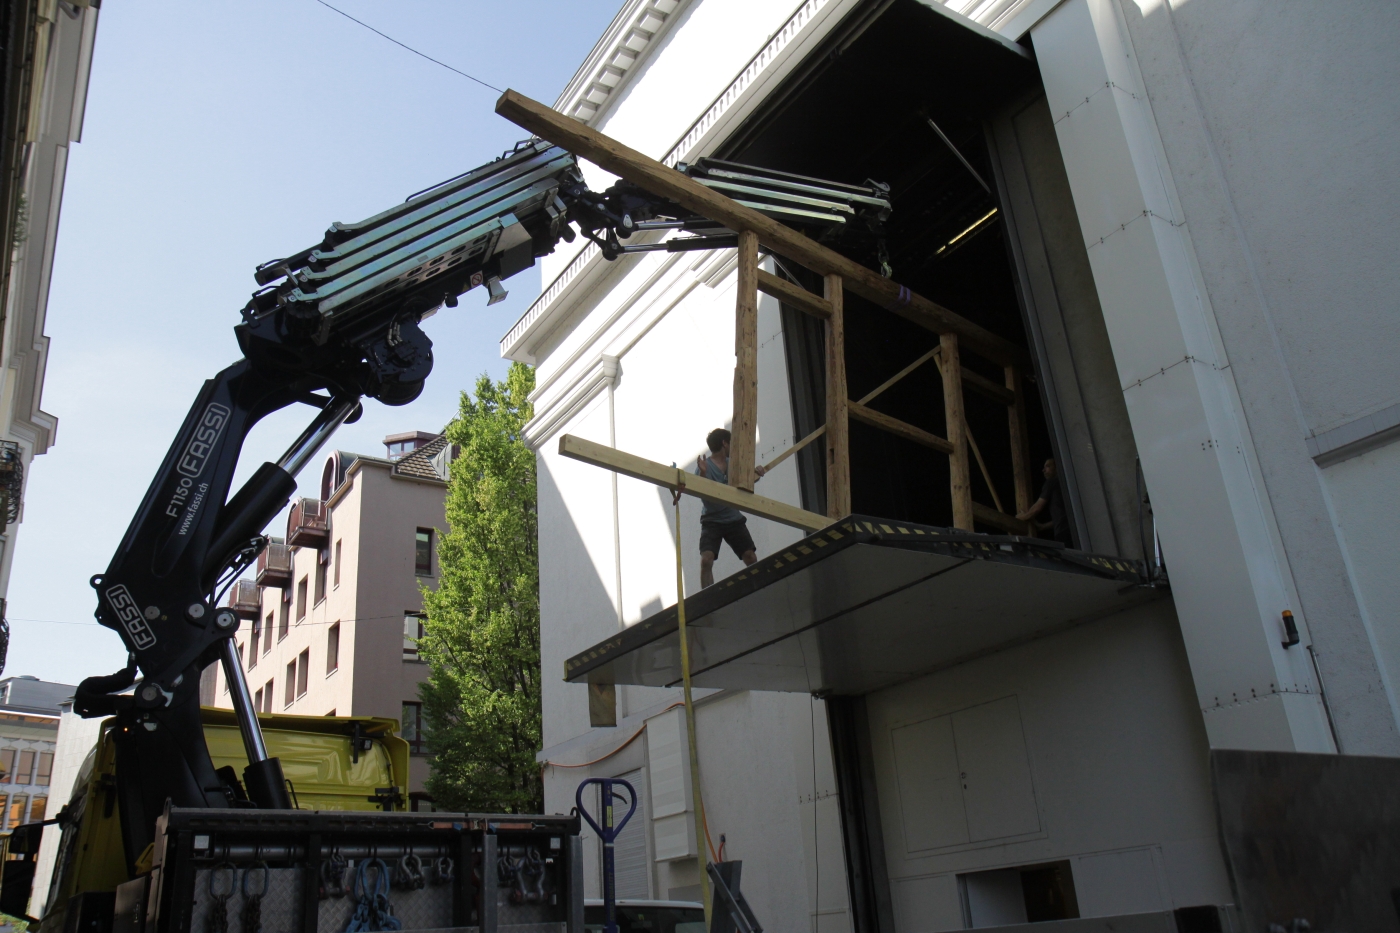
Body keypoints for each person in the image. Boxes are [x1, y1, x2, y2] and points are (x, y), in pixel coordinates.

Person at [674, 428, 766, 587]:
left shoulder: (733, 464)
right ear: (725, 443)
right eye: (731, 444)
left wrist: (757, 472)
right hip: (712, 520)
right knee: (706, 560)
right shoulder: (705, 466)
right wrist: (703, 474)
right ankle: (707, 596)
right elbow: (701, 493)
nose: (732, 448)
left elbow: (746, 481)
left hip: (733, 518)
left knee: (750, 557)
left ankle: (760, 586)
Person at [1016, 457, 1071, 546]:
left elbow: (1038, 507)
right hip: (1074, 532)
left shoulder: (1051, 482)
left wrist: (1024, 516)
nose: (1043, 470)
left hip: (1063, 533)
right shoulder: (1066, 486)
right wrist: (1043, 526)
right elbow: (1062, 518)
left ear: (1057, 467)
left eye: (1048, 466)